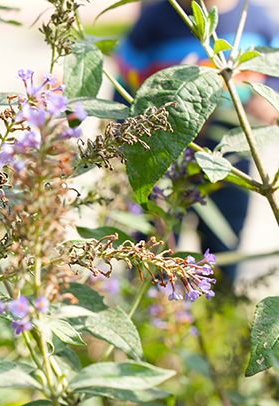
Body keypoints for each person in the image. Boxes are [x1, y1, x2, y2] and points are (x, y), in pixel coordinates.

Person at [115, 0, 279, 283]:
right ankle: (150, 306)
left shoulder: (257, 19)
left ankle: (222, 302)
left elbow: (275, 71)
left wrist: (271, 99)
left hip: (230, 157)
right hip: (161, 154)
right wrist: (121, 131)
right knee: (154, 239)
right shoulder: (156, 18)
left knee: (226, 237)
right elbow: (126, 77)